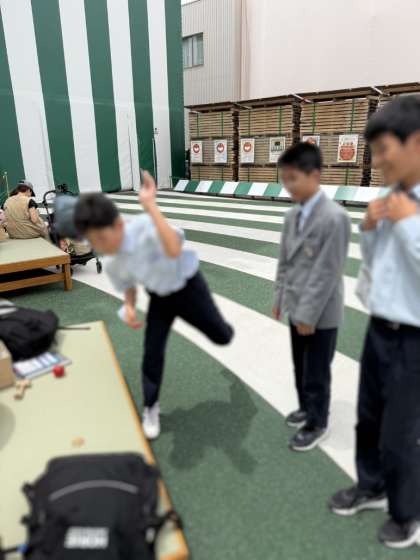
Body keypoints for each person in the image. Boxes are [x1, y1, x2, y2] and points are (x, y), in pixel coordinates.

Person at [74, 171, 234, 440]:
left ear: (118, 225)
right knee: (152, 351)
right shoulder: (113, 262)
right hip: (160, 298)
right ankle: (151, 406)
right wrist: (129, 306)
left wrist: (151, 207)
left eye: (100, 238)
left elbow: (173, 249)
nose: (98, 246)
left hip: (189, 288)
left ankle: (222, 327)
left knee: (222, 336)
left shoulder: (145, 228)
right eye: (92, 241)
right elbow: (128, 285)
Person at [329, 96, 420, 549]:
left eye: (384, 149)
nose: (377, 161)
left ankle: (406, 513)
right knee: (368, 417)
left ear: (415, 143)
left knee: (401, 431)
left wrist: (409, 225)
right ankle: (371, 485)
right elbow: (376, 264)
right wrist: (369, 229)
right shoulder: (388, 199)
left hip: (414, 340)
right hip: (380, 329)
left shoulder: (408, 209)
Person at [272, 142, 351, 451]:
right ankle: (306, 407)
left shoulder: (335, 217)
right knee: (300, 365)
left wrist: (307, 315)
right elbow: (284, 261)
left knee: (317, 369)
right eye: (284, 179)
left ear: (315, 175)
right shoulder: (292, 215)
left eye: (293, 178)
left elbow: (327, 272)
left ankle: (318, 423)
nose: (287, 186)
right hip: (296, 305)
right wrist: (280, 299)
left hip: (321, 313)